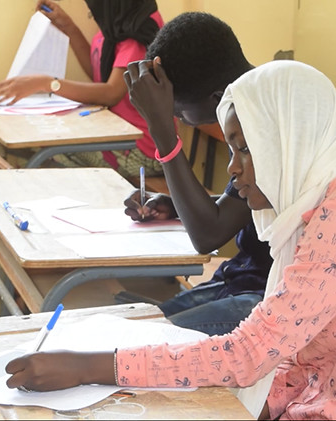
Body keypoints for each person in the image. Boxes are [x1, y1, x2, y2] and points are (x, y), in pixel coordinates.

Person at [4, 60, 336, 420]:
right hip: (323, 395)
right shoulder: (318, 198)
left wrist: (86, 367)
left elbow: (248, 355)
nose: (233, 168)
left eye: (245, 149)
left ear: (288, 143)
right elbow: (288, 358)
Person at [122, 13, 272, 336]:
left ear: (216, 99)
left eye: (177, 111)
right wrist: (177, 205)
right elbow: (247, 205)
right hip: (244, 277)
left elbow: (207, 236)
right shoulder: (254, 97)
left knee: (150, 340)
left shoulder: (267, 118)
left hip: (271, 299)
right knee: (138, 325)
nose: (177, 117)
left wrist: (162, 131)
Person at [0, 0, 163, 179]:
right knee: (30, 150)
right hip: (116, 135)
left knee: (46, 156)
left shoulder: (140, 32)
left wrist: (48, 83)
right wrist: (68, 27)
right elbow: (97, 73)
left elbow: (111, 93)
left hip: (140, 150)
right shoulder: (118, 23)